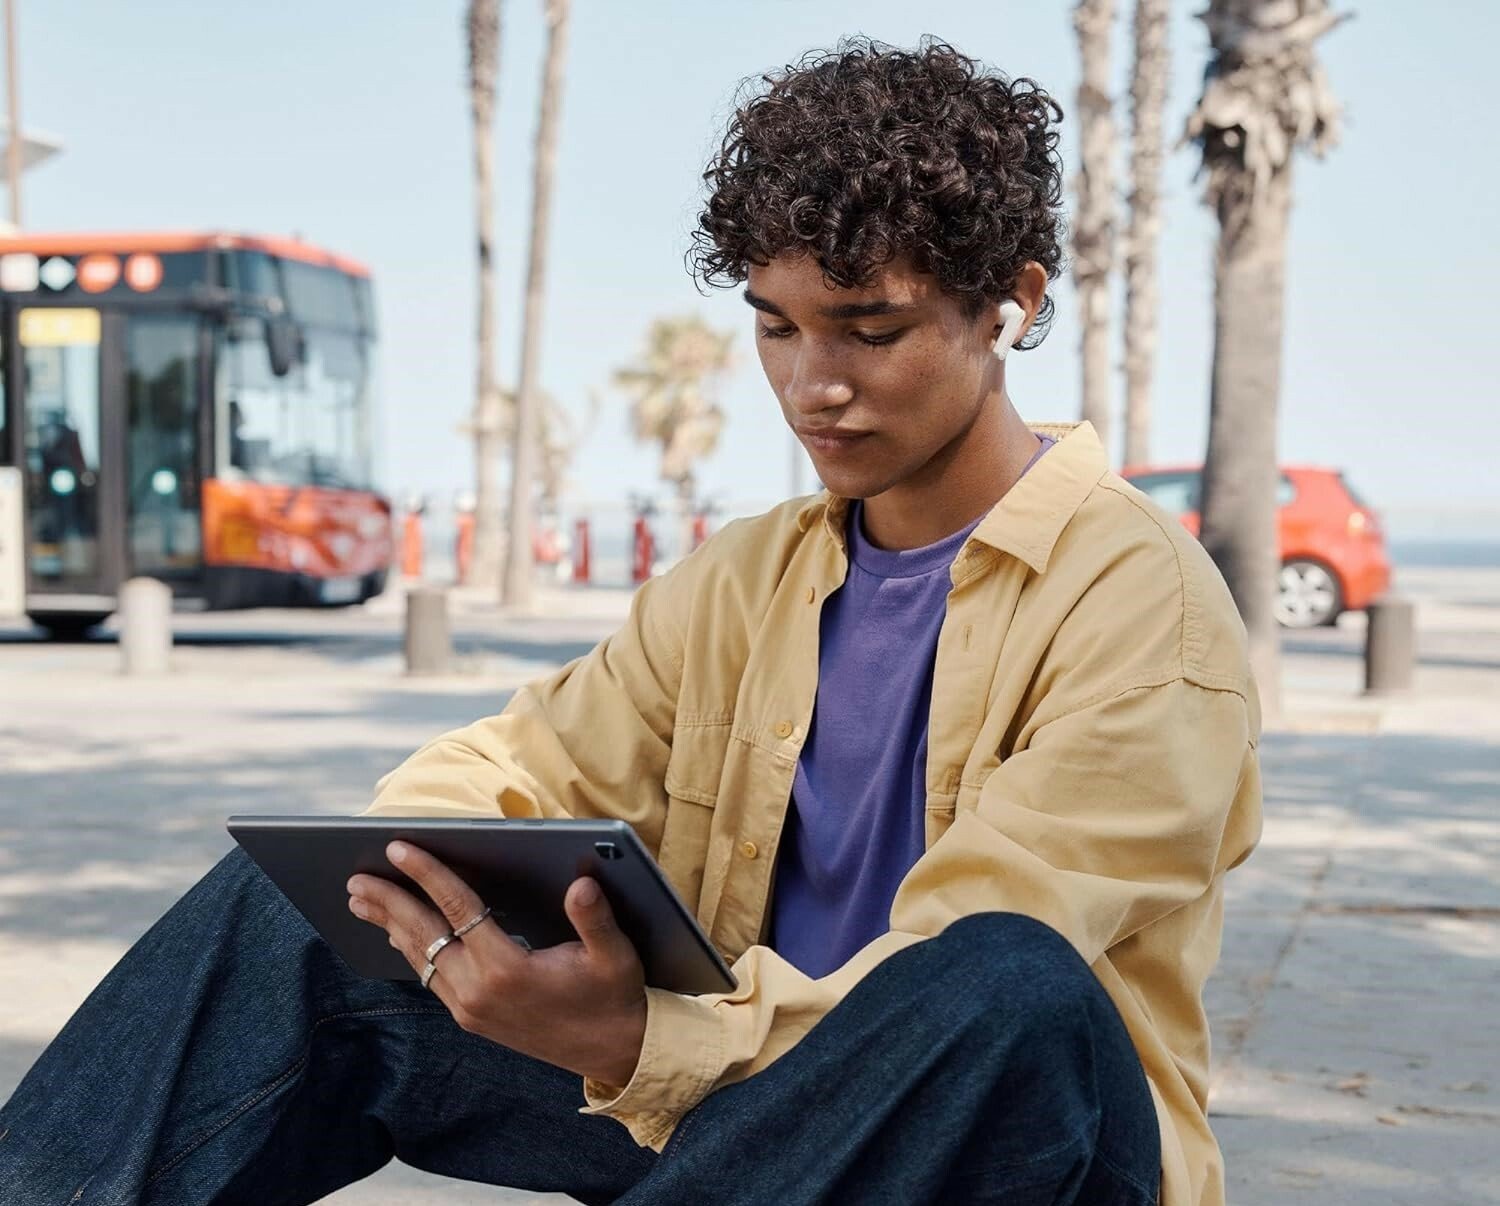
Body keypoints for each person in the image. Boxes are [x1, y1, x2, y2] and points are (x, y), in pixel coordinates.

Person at [0, 38, 1260, 1206]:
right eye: (775, 325)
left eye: (870, 330)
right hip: (723, 1109)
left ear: (1010, 305)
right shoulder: (750, 578)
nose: (812, 385)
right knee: (327, 911)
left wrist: (643, 1038)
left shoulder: (1143, 604)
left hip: (1005, 1141)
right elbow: (513, 765)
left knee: (1006, 980)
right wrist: (451, 911)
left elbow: (954, 989)